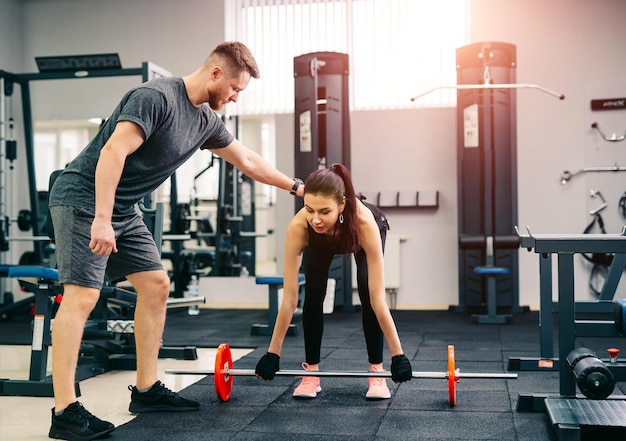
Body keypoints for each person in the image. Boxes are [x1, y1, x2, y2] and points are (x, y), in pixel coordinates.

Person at [46, 41, 305, 441]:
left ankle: (147, 389)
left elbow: (249, 161)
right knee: (82, 296)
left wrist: (299, 188)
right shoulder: (156, 97)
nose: (236, 98)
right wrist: (101, 219)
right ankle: (64, 410)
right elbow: (113, 152)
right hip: (83, 197)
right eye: (236, 89)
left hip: (124, 207)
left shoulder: (205, 120)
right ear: (216, 73)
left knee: (157, 285)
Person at [254, 163, 412, 399]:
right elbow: (289, 298)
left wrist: (398, 355)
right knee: (314, 295)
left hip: (357, 235)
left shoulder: (364, 223)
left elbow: (379, 299)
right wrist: (272, 353)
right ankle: (311, 373)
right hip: (321, 243)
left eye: (324, 212)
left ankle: (377, 372)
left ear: (341, 205)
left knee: (369, 297)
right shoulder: (301, 227)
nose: (315, 219)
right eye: (309, 209)